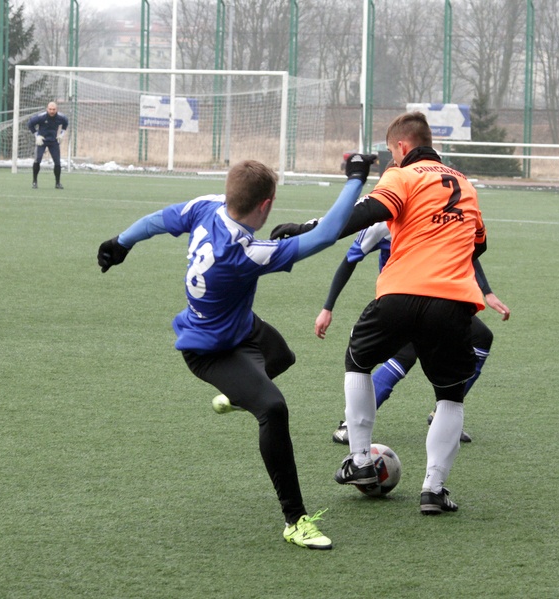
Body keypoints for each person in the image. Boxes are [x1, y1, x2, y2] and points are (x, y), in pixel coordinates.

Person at [96, 154, 377, 550]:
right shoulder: (242, 253)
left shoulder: (206, 206)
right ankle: (295, 520)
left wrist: (121, 242)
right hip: (209, 351)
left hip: (244, 328)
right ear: (266, 205)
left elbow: (160, 219)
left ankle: (237, 393)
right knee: (273, 408)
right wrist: (355, 179)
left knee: (281, 359)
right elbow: (325, 235)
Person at [272, 112, 487, 515]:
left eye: (392, 151)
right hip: (454, 302)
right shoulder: (466, 185)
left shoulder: (401, 175)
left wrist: (306, 229)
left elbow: (359, 215)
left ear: (401, 147)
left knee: (358, 360)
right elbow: (478, 245)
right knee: (450, 394)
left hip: (400, 293)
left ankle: (361, 462)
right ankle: (433, 491)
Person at [308, 220, 510, 445]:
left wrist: (488, 292)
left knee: (481, 338)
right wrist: (327, 307)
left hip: (437, 297)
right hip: (399, 298)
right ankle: (350, 425)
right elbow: (349, 260)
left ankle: (441, 416)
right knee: (405, 353)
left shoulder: (436, 211)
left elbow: (465, 251)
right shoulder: (382, 222)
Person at [28, 102, 69, 189]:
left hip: (53, 141)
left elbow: (66, 123)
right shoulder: (41, 117)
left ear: (56, 110)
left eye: (53, 109)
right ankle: (34, 181)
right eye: (50, 109)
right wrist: (37, 136)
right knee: (37, 160)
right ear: (47, 109)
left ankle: (57, 183)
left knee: (57, 162)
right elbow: (30, 123)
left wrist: (62, 134)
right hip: (42, 141)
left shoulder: (61, 117)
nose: (52, 111)